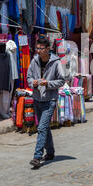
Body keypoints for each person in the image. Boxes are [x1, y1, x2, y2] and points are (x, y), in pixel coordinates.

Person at [27, 37, 65, 169]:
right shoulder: (34, 61)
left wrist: (47, 83)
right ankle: (50, 152)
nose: (38, 51)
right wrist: (34, 82)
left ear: (48, 49)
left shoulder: (56, 62)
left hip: (50, 100)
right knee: (45, 128)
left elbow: (61, 80)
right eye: (37, 48)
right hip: (37, 99)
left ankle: (37, 157)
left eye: (41, 48)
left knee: (42, 128)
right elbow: (29, 77)